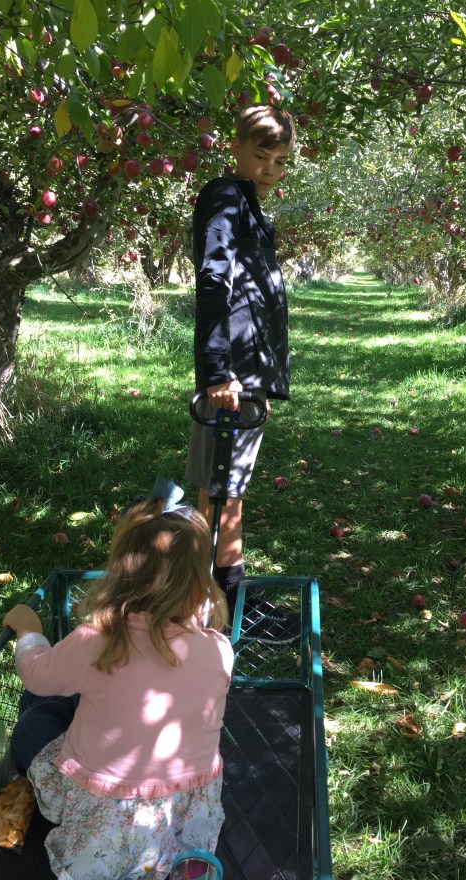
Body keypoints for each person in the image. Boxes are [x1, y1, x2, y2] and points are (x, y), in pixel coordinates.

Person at [2, 497, 233, 880]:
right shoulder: (219, 649)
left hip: (108, 826)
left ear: (119, 576)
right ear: (198, 587)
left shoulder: (99, 640)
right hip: (186, 819)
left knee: (33, 720)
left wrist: (30, 631)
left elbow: (36, 676)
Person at [185, 104, 299, 642]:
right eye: (260, 156)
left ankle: (220, 602)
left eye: (280, 161)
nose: (270, 170)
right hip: (230, 374)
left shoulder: (244, 201)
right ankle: (220, 610)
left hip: (245, 372)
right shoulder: (226, 195)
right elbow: (214, 279)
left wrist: (259, 378)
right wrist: (218, 371)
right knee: (220, 492)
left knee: (227, 491)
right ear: (235, 147)